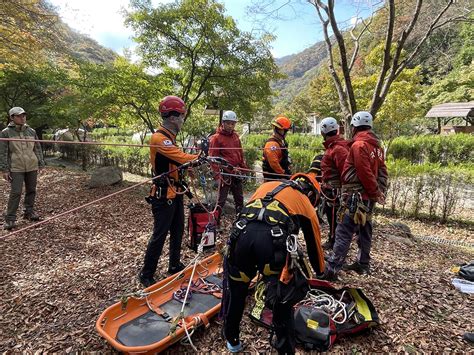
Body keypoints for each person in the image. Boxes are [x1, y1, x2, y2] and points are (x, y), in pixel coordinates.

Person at [222, 172, 325, 354]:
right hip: (272, 244)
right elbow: (314, 243)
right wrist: (320, 271)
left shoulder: (266, 186)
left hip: (241, 236)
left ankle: (233, 341)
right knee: (282, 298)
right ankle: (285, 349)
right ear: (311, 194)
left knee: (237, 293)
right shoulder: (304, 201)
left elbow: (250, 214)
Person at [138, 96, 199, 288]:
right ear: (173, 117)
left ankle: (174, 264)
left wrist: (185, 169)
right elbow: (180, 157)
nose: (183, 120)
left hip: (176, 192)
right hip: (163, 195)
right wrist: (200, 157)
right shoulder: (159, 138)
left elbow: (176, 160)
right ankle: (146, 273)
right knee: (160, 234)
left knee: (178, 230)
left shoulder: (170, 138)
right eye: (181, 116)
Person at [323, 111, 388, 280]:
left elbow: (364, 171)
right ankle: (363, 263)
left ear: (354, 127)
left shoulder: (359, 146)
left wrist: (375, 191)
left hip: (355, 195)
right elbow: (382, 170)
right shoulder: (377, 147)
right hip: (367, 196)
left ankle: (332, 269)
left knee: (344, 230)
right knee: (365, 228)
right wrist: (379, 191)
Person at [0, 107, 45, 230]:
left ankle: (28, 212)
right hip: (16, 168)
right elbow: (2, 153)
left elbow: (37, 148)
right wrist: (4, 170)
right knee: (16, 192)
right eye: (19, 116)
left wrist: (41, 163)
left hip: (31, 166)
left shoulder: (31, 131)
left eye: (24, 115)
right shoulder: (5, 133)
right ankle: (10, 219)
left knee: (31, 190)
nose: (22, 118)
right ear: (12, 117)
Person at [209, 110, 248, 218]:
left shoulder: (235, 136)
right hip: (224, 174)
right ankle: (215, 223)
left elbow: (240, 154)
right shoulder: (216, 138)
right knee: (221, 200)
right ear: (223, 123)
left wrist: (244, 170)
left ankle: (240, 221)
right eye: (228, 123)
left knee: (239, 199)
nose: (230, 126)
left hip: (236, 172)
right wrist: (217, 176)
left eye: (233, 123)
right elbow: (213, 159)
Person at [319, 117, 349, 250]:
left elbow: (344, 171)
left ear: (323, 133)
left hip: (335, 190)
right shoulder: (334, 147)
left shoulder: (337, 149)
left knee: (334, 216)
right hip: (331, 188)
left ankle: (334, 241)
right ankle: (333, 239)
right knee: (331, 215)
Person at [262, 115, 292, 181]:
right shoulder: (272, 144)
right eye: (285, 131)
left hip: (280, 175)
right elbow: (274, 163)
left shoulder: (281, 142)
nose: (286, 133)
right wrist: (283, 173)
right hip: (274, 178)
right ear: (279, 130)